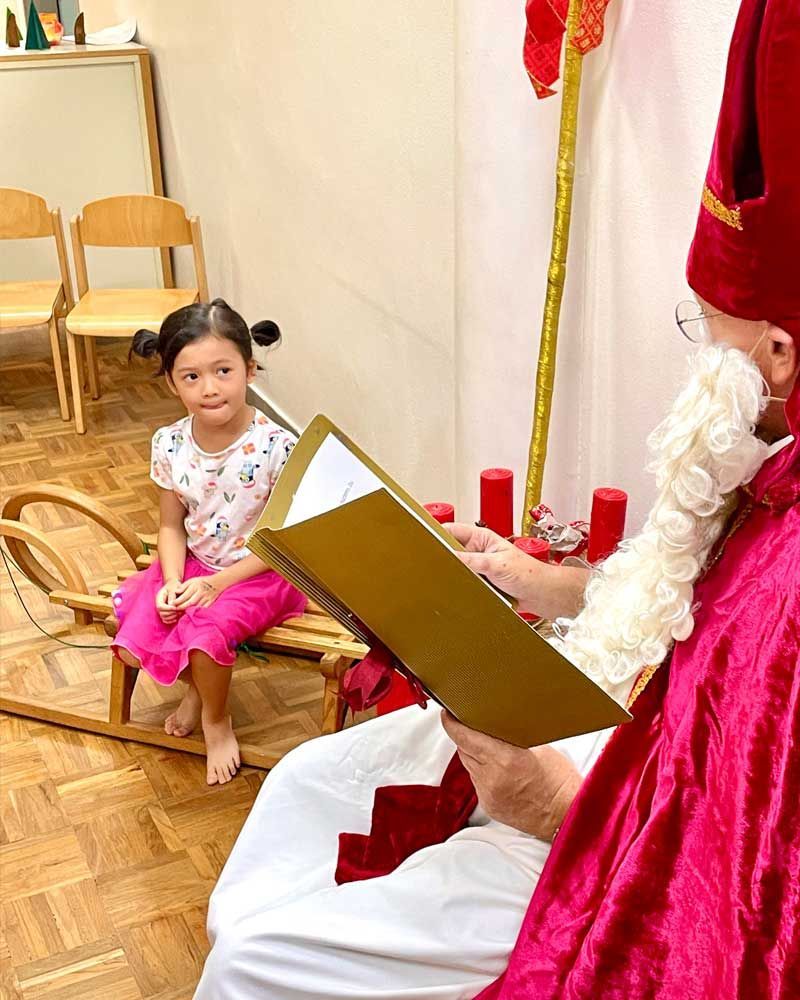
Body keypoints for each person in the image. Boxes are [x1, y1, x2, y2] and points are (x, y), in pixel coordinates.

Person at [194, 0, 800, 994]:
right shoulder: (761, 459)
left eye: (711, 329)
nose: (702, 352)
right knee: (308, 778)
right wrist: (530, 575)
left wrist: (550, 800)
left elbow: (736, 880)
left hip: (605, 842)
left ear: (777, 350)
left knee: (266, 958)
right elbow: (666, 588)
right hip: (591, 724)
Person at [112, 299, 306, 785]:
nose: (210, 388)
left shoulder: (275, 446)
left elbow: (286, 540)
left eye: (223, 370)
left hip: (261, 572)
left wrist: (218, 586)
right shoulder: (170, 443)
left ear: (250, 369)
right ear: (171, 383)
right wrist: (174, 581)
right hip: (194, 563)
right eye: (191, 377)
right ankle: (199, 687)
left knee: (205, 631)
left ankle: (216, 719)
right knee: (143, 625)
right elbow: (171, 526)